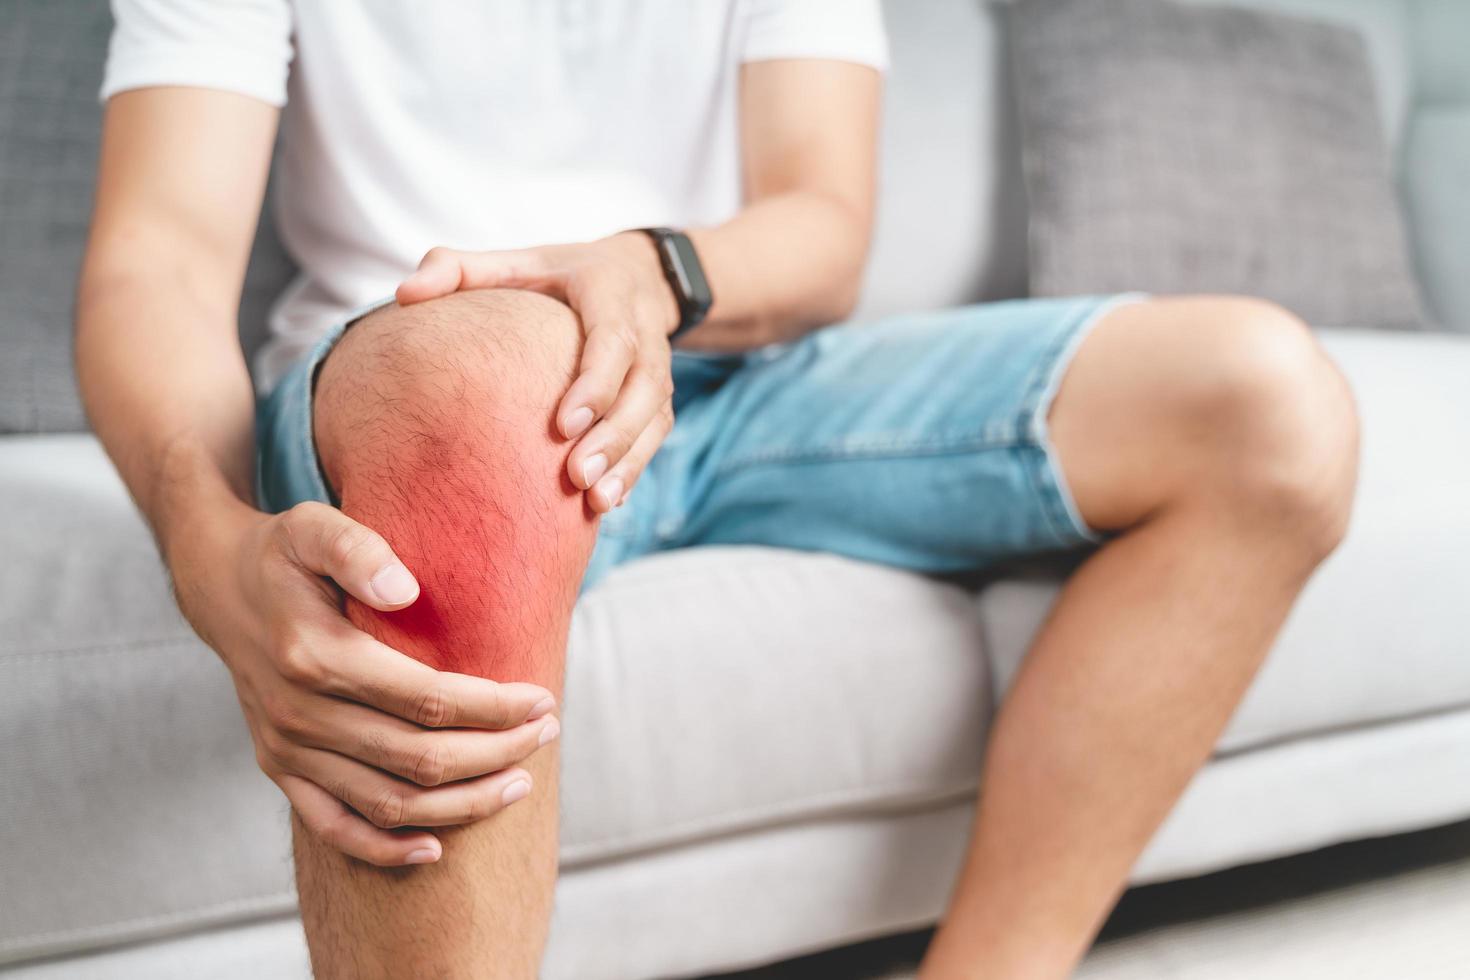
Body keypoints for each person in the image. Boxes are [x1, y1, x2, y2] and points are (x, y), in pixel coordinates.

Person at [75, 1, 1359, 977]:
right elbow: (159, 259)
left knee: (1268, 401)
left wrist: (654, 271)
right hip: (428, 395)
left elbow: (823, 220)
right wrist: (206, 539)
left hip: (724, 366)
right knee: (473, 382)